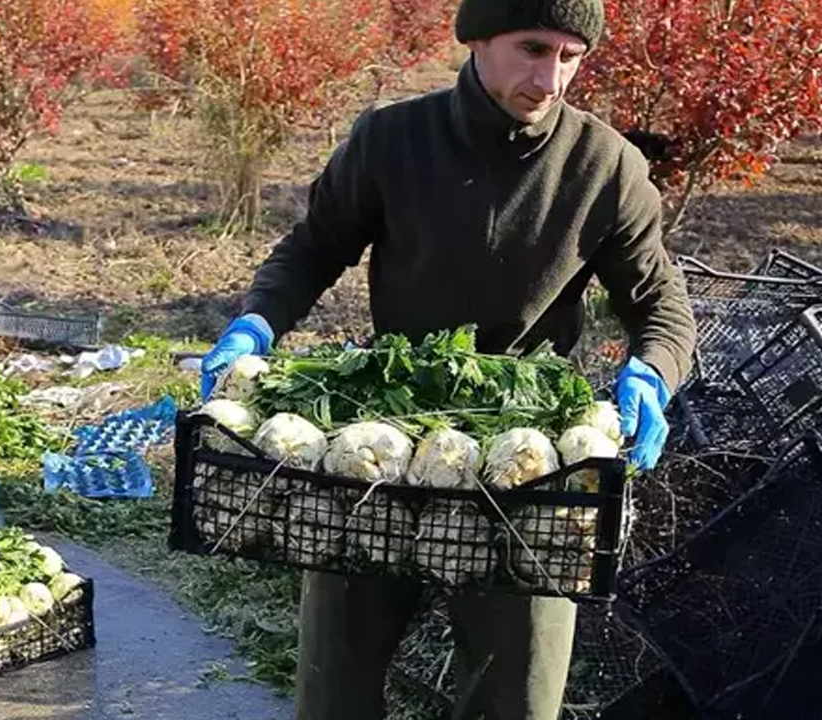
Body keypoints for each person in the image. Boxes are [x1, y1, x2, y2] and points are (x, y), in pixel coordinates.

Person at [198, 0, 697, 717]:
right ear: (478, 40)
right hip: (382, 440)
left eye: (570, 56)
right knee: (336, 678)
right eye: (532, 49)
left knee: (517, 692)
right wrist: (257, 321)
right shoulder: (392, 139)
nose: (550, 79)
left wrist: (655, 369)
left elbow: (659, 299)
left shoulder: (605, 164)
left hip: (529, 456)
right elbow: (314, 249)